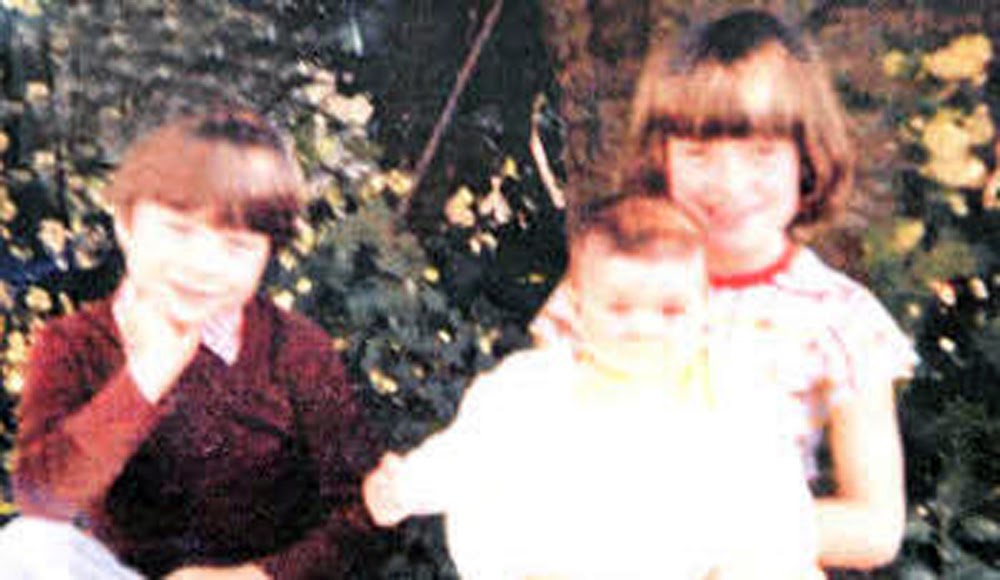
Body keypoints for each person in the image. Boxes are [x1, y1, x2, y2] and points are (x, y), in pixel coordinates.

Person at [533, 9, 917, 570]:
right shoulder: (613, 287)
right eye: (698, 153)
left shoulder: (840, 319)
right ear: (660, 158)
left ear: (807, 157)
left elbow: (875, 527)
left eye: (761, 152)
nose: (730, 183)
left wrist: (718, 526)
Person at [2, 109, 378, 579]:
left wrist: (260, 576)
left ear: (268, 254)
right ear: (126, 224)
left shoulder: (297, 350)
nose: (202, 264)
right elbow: (42, 498)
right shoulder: (74, 344)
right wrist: (144, 379)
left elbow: (366, 511)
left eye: (236, 246)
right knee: (26, 545)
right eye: (178, 231)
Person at [365, 195, 822, 579]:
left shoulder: (736, 402)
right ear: (579, 309)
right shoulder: (530, 390)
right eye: (620, 308)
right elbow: (468, 455)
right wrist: (405, 488)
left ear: (705, 310)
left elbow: (779, 513)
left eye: (670, 311)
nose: (644, 328)